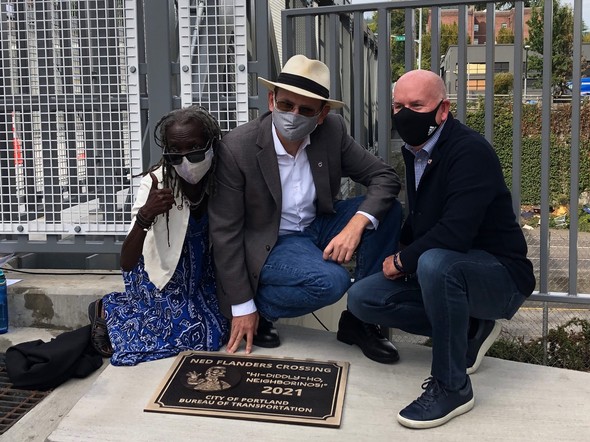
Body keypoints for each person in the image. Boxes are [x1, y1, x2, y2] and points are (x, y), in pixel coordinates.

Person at [346, 69, 536, 429]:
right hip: (452, 269)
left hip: (499, 275)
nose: (405, 114)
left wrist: (402, 260)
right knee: (363, 299)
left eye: (417, 105)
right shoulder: (416, 151)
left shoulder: (469, 152)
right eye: (398, 106)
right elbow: (420, 220)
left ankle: (453, 386)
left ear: (443, 109)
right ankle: (470, 329)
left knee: (434, 263)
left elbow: (455, 232)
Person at [208, 54, 403, 363]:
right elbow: (224, 232)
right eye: (286, 105)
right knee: (332, 281)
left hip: (317, 225)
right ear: (272, 101)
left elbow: (384, 177)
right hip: (270, 241)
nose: (294, 115)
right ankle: (260, 307)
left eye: (306, 110)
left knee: (388, 211)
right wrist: (242, 307)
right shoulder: (237, 148)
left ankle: (361, 318)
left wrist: (355, 226)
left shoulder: (331, 132)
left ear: (322, 114)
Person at [87, 105, 229, 366]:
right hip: (158, 273)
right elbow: (127, 262)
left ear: (211, 145)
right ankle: (108, 308)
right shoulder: (155, 183)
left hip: (200, 273)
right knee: (189, 333)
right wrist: (146, 215)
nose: (185, 161)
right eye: (175, 153)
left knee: (217, 330)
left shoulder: (222, 177)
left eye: (195, 150)